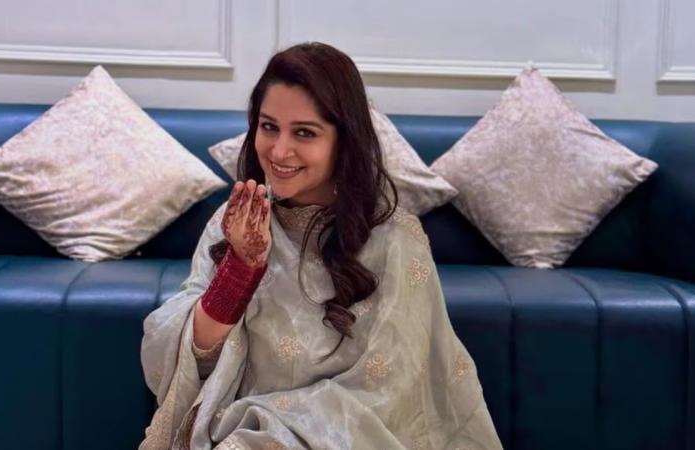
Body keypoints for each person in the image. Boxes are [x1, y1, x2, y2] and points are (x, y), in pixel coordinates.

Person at [139, 42, 502, 450]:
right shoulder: (238, 223)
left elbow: (392, 394)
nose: (279, 151)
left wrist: (273, 435)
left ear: (344, 141)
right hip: (233, 434)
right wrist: (240, 270)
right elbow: (191, 359)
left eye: (304, 133)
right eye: (268, 127)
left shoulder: (395, 239)